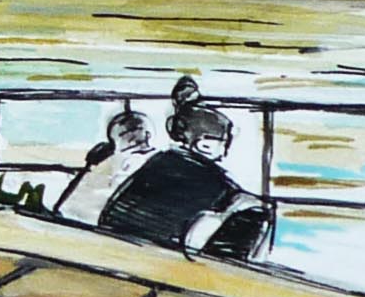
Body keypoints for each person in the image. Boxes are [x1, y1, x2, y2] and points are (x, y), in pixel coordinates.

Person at [99, 78, 270, 259]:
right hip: (154, 260)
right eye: (223, 143)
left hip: (115, 250)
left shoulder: (160, 163)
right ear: (204, 145)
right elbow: (240, 203)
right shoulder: (208, 178)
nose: (225, 151)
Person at [50, 107, 156, 227]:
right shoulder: (161, 159)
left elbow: (76, 206)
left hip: (111, 221)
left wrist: (91, 166)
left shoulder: (119, 161)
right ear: (148, 134)